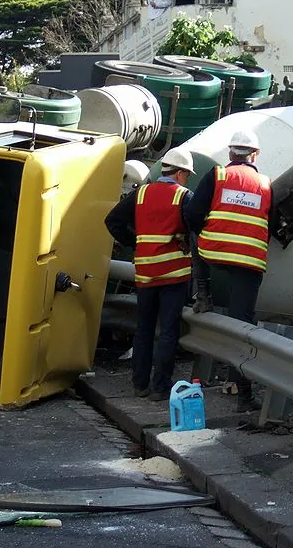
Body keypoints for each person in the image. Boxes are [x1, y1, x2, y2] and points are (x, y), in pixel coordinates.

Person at [184, 130, 274, 412]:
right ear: (255, 155)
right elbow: (269, 223)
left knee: (193, 235)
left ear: (231, 153)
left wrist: (208, 231)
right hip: (249, 259)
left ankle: (203, 292)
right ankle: (243, 393)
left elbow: (192, 214)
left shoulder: (218, 175)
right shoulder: (266, 183)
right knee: (243, 324)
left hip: (215, 252)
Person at [105, 147, 195, 400]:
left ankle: (139, 384)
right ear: (179, 174)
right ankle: (160, 387)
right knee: (167, 331)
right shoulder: (184, 196)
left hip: (146, 273)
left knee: (143, 329)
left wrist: (135, 243)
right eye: (186, 174)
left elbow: (112, 221)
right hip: (174, 274)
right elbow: (196, 226)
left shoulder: (141, 194)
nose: (186, 179)